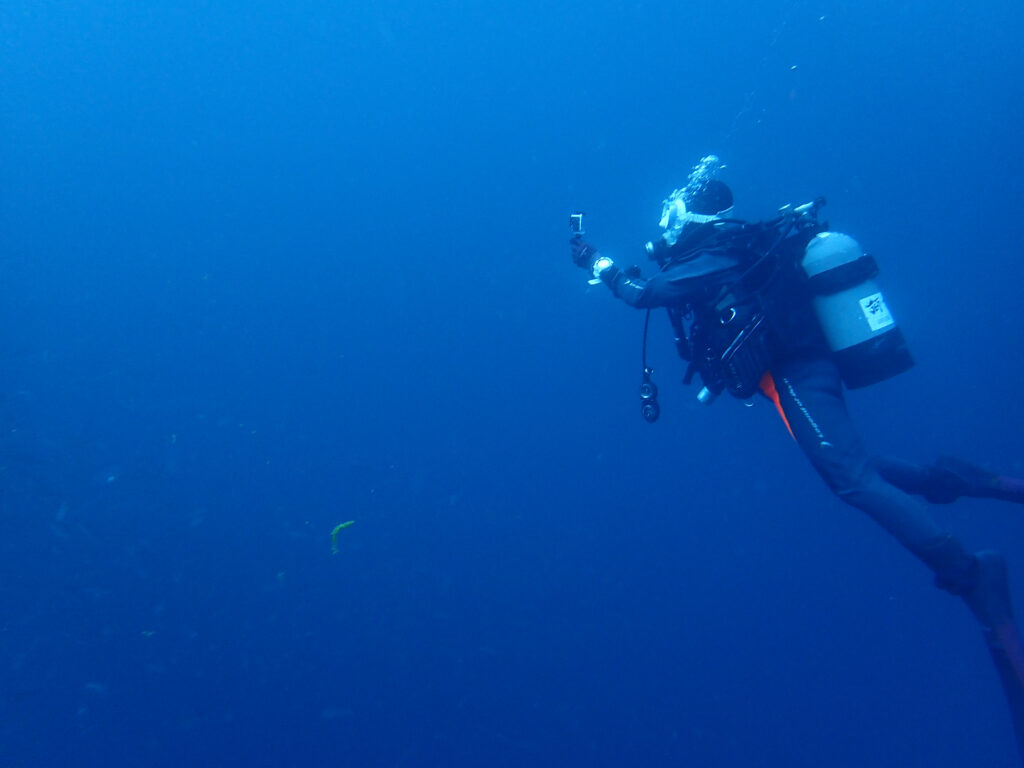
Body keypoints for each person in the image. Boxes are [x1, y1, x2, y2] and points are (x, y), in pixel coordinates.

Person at [569, 155, 1024, 760]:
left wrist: (596, 262)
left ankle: (969, 572)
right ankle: (963, 481)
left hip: (796, 375)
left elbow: (643, 293)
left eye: (672, 215)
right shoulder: (733, 246)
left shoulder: (714, 253)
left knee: (849, 479)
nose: (666, 226)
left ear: (691, 218)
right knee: (857, 464)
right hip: (801, 370)